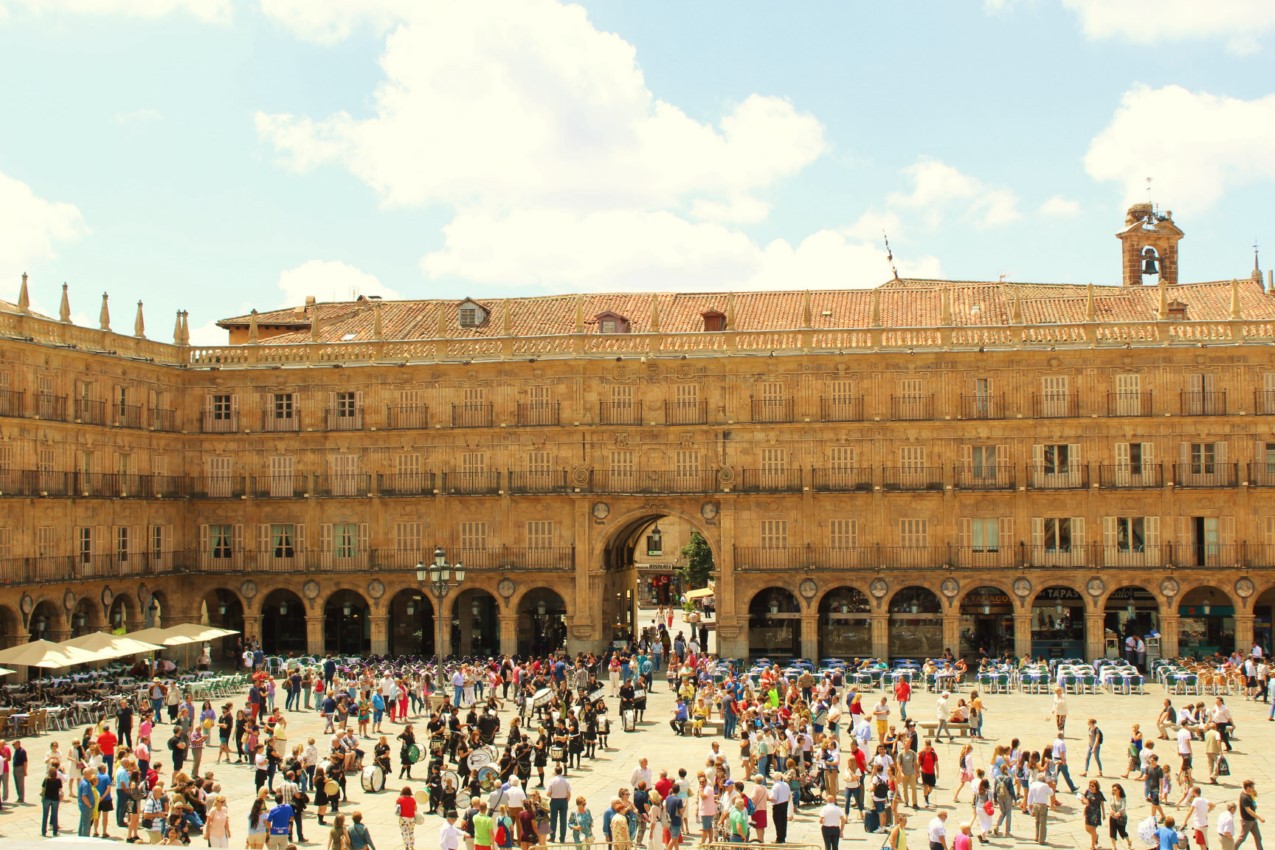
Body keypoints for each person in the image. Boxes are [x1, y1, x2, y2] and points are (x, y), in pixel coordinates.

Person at [1026, 772, 1053, 844]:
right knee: (1043, 822)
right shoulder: (1045, 785)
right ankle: (1042, 839)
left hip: (1035, 804)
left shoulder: (1033, 784)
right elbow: (1051, 793)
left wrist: (1029, 804)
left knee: (1037, 821)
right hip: (1042, 805)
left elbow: (1030, 795)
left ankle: (1036, 836)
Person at [1238, 780, 1264, 849]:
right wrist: (1259, 818)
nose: (1253, 788)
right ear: (1248, 787)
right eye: (1252, 787)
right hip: (1247, 821)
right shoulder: (1244, 797)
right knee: (1242, 838)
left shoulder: (1249, 794)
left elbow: (1254, 797)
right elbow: (1248, 810)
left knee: (1258, 837)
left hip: (1253, 820)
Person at [1081, 779, 1106, 850]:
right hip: (1088, 812)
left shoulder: (1099, 793)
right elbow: (1085, 801)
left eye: (1092, 786)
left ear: (1096, 786)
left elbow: (1102, 804)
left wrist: (1104, 814)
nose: (1090, 787)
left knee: (1093, 829)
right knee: (1087, 828)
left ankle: (1093, 845)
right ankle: (1095, 836)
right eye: (1090, 785)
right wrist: (1083, 801)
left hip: (1095, 814)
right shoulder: (1087, 792)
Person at [1109, 783, 1132, 850]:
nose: (1113, 791)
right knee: (1112, 831)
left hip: (1121, 817)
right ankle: (1114, 847)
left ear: (1119, 790)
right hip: (1113, 817)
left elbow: (1123, 807)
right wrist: (1111, 811)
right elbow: (1110, 805)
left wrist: (1118, 813)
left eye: (1115, 790)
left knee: (1122, 831)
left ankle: (1128, 841)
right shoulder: (1112, 797)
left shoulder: (1123, 798)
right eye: (1113, 790)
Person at [395, 786, 417, 850]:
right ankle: (412, 846)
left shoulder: (399, 799)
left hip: (403, 818)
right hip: (411, 818)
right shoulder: (413, 800)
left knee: (404, 832)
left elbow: (396, 807)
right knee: (411, 832)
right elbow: (415, 808)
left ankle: (406, 846)